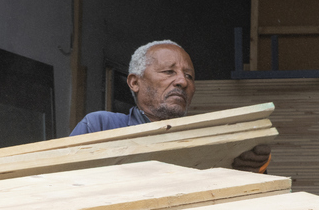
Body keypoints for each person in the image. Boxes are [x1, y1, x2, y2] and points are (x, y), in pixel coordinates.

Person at [70, 40, 271, 173]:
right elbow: (57, 184)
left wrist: (256, 169)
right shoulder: (100, 127)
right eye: (168, 71)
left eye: (189, 76)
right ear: (134, 82)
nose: (182, 82)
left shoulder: (207, 142)